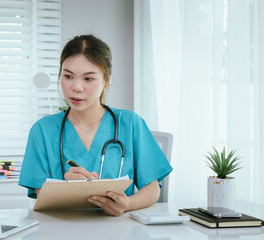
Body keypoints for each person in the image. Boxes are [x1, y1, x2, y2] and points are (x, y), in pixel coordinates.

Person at [19, 35, 173, 216]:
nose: (76, 87)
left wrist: (127, 204)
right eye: (68, 76)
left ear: (106, 80)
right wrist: (67, 188)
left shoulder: (131, 124)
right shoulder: (43, 130)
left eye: (88, 79)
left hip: (120, 229)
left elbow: (152, 188)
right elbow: (41, 196)